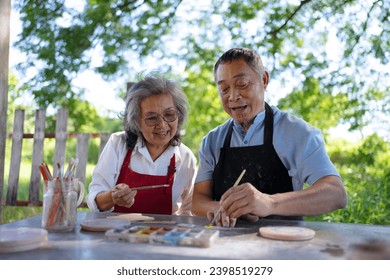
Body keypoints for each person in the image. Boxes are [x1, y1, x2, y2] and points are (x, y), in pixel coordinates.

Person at [192, 48, 347, 227]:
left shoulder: (298, 133)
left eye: (242, 84)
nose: (233, 96)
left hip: (284, 246)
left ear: (264, 79)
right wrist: (230, 208)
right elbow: (198, 201)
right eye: (224, 89)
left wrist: (269, 203)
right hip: (224, 244)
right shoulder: (212, 141)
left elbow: (336, 194)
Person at [87, 73, 197, 215]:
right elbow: (95, 201)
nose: (162, 125)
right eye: (152, 118)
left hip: (164, 235)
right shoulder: (118, 144)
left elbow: (188, 212)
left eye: (169, 115)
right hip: (117, 234)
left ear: (179, 115)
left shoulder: (185, 157)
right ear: (136, 121)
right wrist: (112, 197)